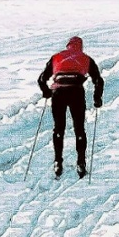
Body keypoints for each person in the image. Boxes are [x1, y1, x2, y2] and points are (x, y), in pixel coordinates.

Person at [37, 36, 104, 178]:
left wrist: (47, 92)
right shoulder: (86, 58)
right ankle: (81, 163)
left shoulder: (56, 57)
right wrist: (97, 99)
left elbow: (42, 79)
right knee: (79, 128)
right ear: (80, 47)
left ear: (68, 46)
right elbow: (98, 80)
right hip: (76, 91)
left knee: (58, 128)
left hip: (58, 92)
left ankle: (57, 162)